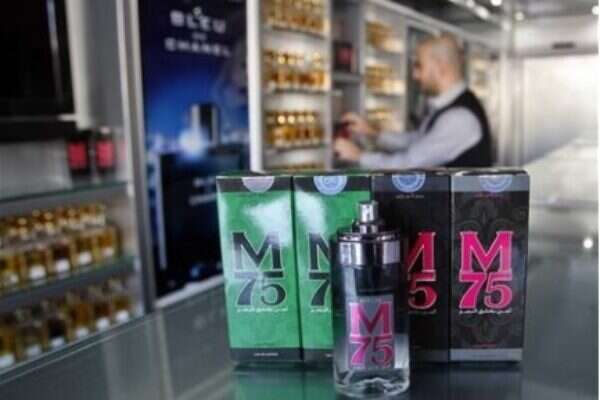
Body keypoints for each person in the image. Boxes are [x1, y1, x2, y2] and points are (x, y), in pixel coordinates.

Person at [334, 33, 492, 169]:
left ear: (440, 68)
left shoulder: (459, 118)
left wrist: (359, 156)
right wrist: (373, 133)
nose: (415, 75)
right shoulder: (447, 107)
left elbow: (409, 163)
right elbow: (418, 141)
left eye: (419, 66)